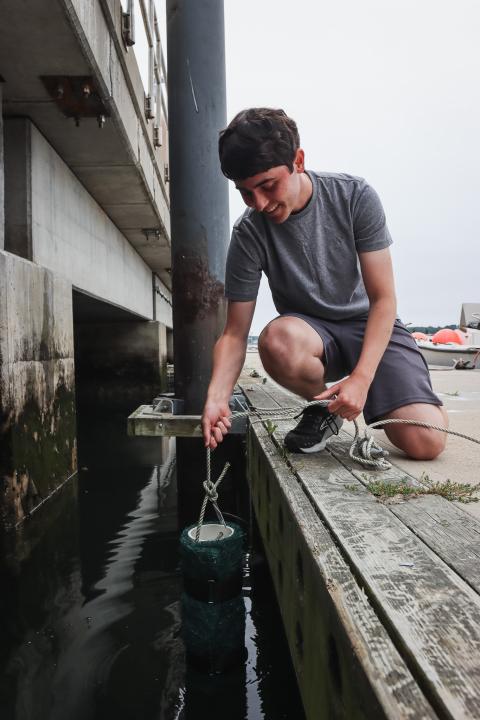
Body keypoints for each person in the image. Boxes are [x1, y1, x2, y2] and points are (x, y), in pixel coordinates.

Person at [201, 107, 447, 459]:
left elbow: (383, 299)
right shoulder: (248, 233)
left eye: (268, 185)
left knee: (425, 444)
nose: (260, 203)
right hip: (312, 334)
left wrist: (362, 378)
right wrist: (216, 398)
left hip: (370, 323)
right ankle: (323, 411)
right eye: (246, 192)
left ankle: (401, 389)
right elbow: (235, 334)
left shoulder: (355, 196)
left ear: (298, 160)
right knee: (276, 340)